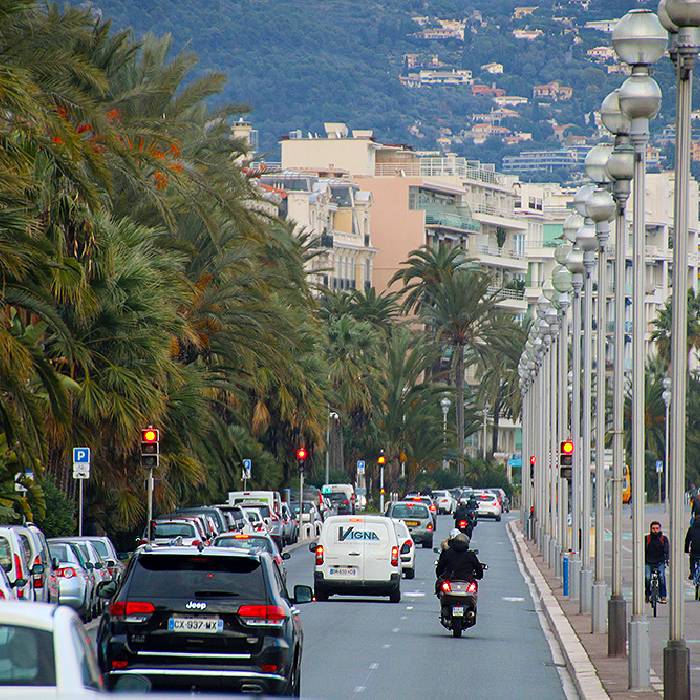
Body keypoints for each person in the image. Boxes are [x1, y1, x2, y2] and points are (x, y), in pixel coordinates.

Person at [435, 531, 483, 596]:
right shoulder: (470, 555)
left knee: (440, 585)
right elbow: (478, 567)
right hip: (467, 580)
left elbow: (440, 568)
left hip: (449, 579)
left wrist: (440, 576)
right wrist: (478, 576)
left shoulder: (447, 553)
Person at [644, 521, 669, 604]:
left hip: (660, 562)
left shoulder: (663, 539)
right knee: (647, 578)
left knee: (661, 577)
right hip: (648, 562)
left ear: (660, 529)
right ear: (650, 529)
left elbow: (666, 550)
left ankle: (663, 596)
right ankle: (647, 594)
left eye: (657, 528)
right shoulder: (647, 539)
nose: (655, 530)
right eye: (653, 528)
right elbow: (643, 550)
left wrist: (666, 559)